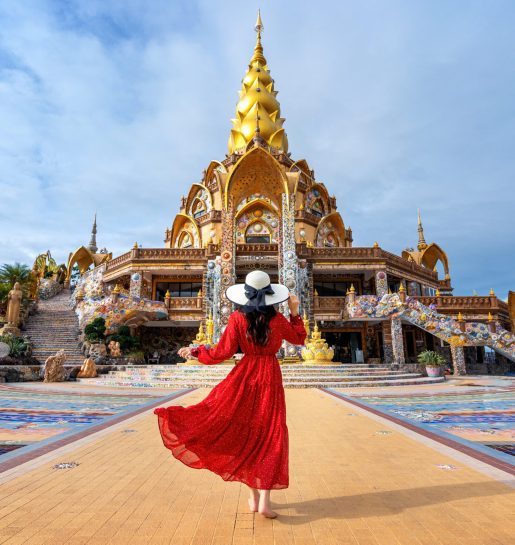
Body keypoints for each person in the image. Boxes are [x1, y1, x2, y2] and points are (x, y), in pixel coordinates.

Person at [154, 270, 306, 518]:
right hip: (269, 376)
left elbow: (220, 353)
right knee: (270, 433)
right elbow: (300, 338)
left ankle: (254, 497)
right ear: (270, 296)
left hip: (244, 377)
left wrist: (195, 352)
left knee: (244, 432)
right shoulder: (277, 320)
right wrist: (295, 311)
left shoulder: (237, 319)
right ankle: (265, 500)